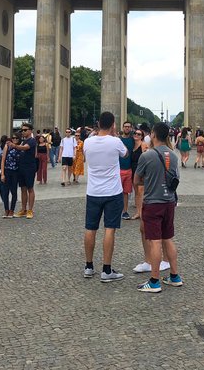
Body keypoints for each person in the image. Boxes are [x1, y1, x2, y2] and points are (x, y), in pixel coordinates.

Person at [133, 122, 183, 293]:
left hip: (153, 202)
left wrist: (149, 181)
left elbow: (136, 180)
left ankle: (154, 281)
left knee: (154, 241)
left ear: (153, 134)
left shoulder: (147, 156)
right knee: (167, 238)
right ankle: (174, 276)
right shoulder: (174, 156)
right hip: (169, 202)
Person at [82, 111, 128, 282]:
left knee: (90, 228)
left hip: (93, 191)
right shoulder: (115, 141)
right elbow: (125, 154)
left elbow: (86, 156)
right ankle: (106, 270)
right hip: (112, 191)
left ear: (98, 123)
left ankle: (88, 266)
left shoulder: (87, 142)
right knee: (110, 228)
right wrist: (114, 135)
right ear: (113, 124)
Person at [12, 124, 37, 218]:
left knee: (30, 188)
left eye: (25, 130)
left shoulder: (32, 141)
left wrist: (14, 146)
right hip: (21, 167)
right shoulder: (23, 141)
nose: (23, 132)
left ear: (30, 131)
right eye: (22, 130)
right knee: (23, 188)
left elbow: (25, 148)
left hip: (29, 167)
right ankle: (23, 209)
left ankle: (30, 210)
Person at [0, 136, 20, 218]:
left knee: (14, 191)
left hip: (15, 172)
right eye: (13, 138)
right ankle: (6, 210)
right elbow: (3, 160)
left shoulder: (20, 147)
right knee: (5, 192)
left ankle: (12, 210)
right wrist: (2, 174)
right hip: (7, 171)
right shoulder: (7, 146)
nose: (15, 139)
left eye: (17, 138)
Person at [119, 120, 134, 219]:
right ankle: (116, 210)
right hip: (118, 169)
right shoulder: (118, 140)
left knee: (126, 192)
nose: (127, 128)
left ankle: (125, 211)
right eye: (125, 126)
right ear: (123, 128)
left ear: (131, 128)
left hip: (129, 169)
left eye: (128, 126)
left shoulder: (134, 140)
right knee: (117, 192)